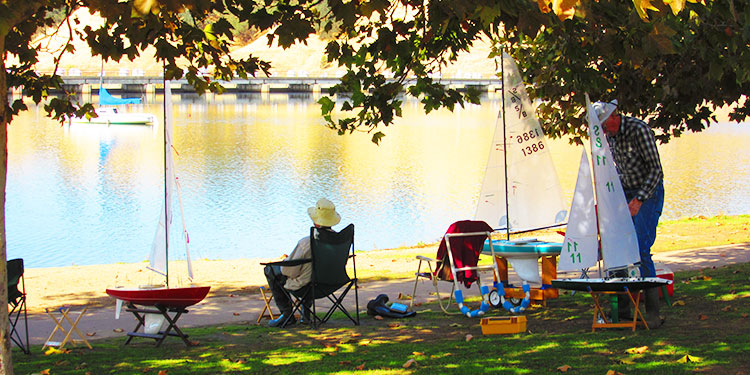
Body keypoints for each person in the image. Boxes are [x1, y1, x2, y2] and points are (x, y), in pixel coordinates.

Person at [593, 99, 665, 328]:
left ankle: (652, 312)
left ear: (615, 117)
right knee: (617, 247)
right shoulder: (608, 136)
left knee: (641, 248)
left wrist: (639, 200)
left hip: (648, 191)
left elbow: (656, 170)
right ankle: (623, 308)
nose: (603, 130)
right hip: (624, 193)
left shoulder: (639, 130)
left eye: (605, 124)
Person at [264, 198, 341, 327]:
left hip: (309, 286)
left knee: (271, 269)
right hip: (332, 283)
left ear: (316, 222)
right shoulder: (339, 240)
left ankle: (287, 314)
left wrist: (286, 262)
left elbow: (288, 271)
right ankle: (305, 315)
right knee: (309, 270)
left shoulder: (306, 243)